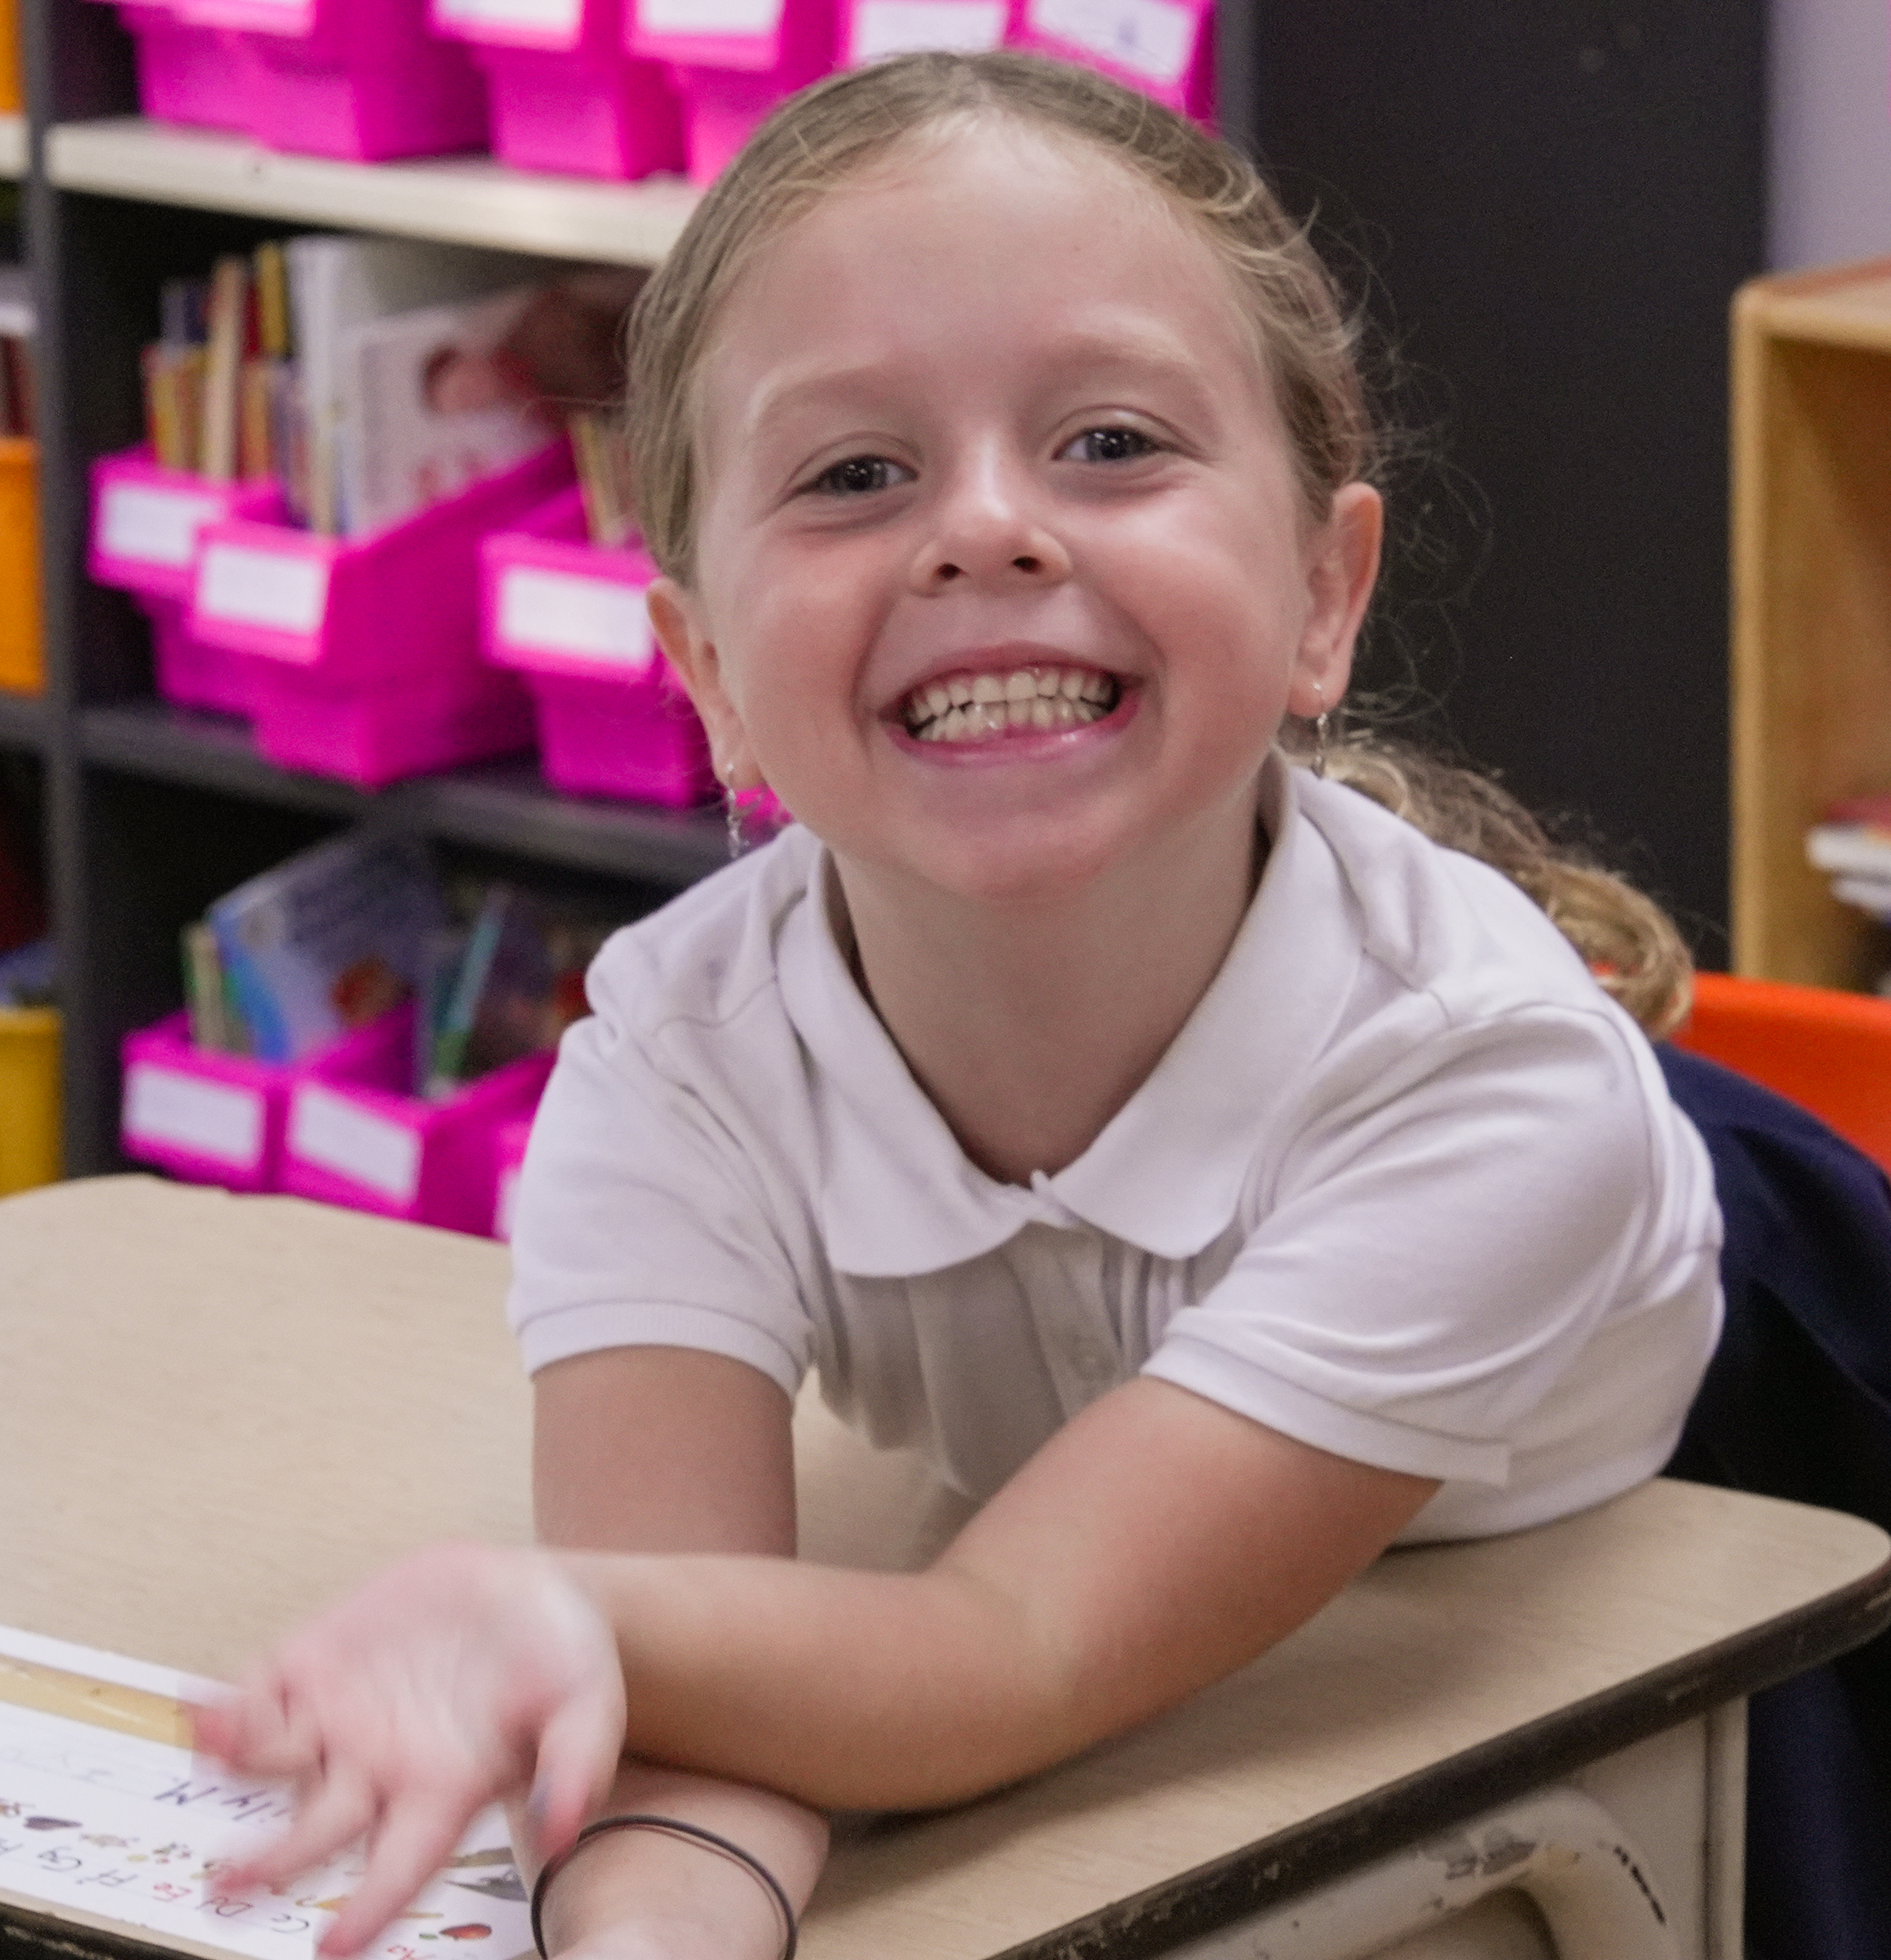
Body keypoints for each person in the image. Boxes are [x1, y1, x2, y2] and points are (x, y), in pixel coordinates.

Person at [194, 49, 1724, 1960]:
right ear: (709, 679)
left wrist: (558, 1618)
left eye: (1109, 444)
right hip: (1087, 1588)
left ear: (1325, 599)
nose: (984, 529)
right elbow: (698, 1692)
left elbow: (1012, 1648)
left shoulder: (1488, 1088)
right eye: (853, 473)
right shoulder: (673, 1062)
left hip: (1668, 1568)